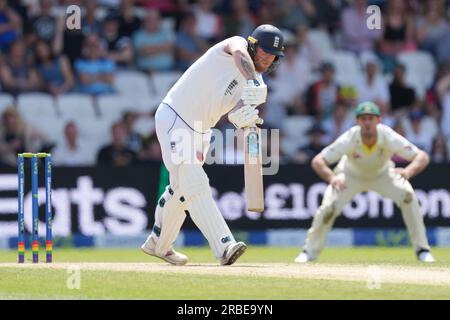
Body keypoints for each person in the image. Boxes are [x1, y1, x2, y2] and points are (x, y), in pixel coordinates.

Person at [141, 24, 285, 266]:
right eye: (264, 52)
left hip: (202, 131)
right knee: (195, 182)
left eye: (272, 56)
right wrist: (253, 82)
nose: (267, 58)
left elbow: (235, 115)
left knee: (182, 190)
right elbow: (240, 54)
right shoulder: (234, 45)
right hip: (175, 116)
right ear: (252, 45)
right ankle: (225, 246)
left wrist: (245, 117)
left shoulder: (256, 83)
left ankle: (159, 243)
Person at [295, 101, 435, 263]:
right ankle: (309, 252)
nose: (367, 122)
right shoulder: (350, 137)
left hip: (383, 175)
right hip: (349, 176)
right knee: (328, 207)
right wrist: (332, 178)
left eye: (371, 118)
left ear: (378, 120)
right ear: (357, 121)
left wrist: (408, 171)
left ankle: (422, 250)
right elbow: (318, 161)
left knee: (408, 196)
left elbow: (422, 157)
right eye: (363, 119)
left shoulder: (387, 135)